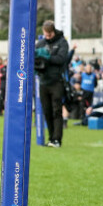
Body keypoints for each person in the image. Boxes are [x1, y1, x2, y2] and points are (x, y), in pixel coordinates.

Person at [35, 20, 69, 148]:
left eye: (49, 35)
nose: (47, 37)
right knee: (47, 111)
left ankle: (57, 139)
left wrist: (47, 57)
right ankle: (50, 138)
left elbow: (61, 59)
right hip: (43, 81)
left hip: (56, 81)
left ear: (53, 32)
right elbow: (35, 58)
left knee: (56, 111)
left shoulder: (62, 42)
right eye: (46, 35)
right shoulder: (41, 43)